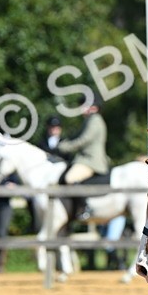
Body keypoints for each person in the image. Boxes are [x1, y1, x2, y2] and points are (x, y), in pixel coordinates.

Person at [57, 93, 109, 221]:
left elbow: (84, 140)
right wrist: (64, 141)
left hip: (91, 161)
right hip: (85, 159)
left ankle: (84, 207)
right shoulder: (89, 120)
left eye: (85, 105)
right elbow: (76, 136)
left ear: (94, 107)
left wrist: (65, 147)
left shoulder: (95, 120)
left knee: (70, 178)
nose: (81, 108)